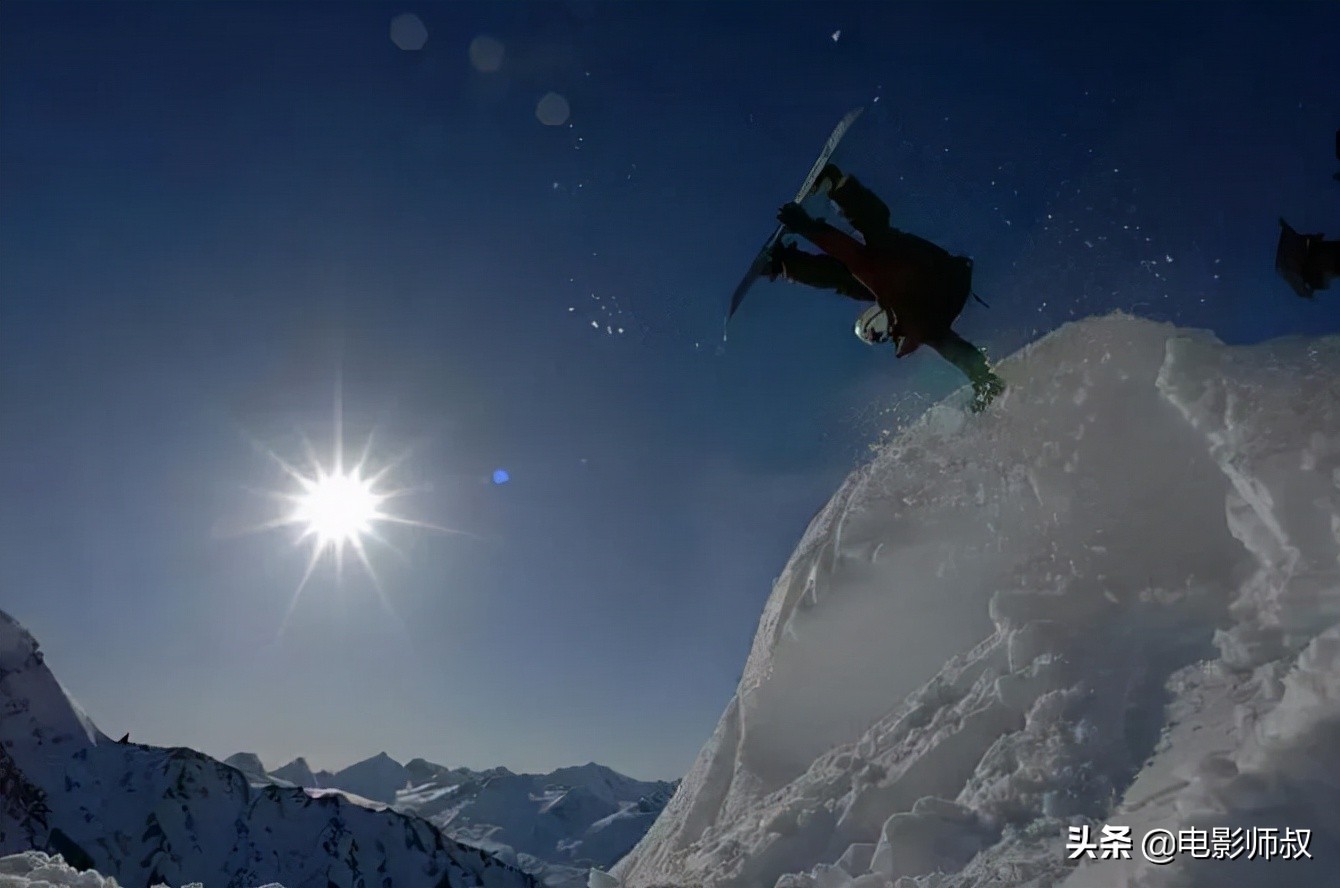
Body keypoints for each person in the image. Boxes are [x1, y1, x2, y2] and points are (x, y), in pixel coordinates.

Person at [765, 164, 1005, 412]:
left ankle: (788, 261)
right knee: (874, 246)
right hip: (934, 275)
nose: (882, 332)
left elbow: (854, 260)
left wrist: (806, 230)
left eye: (874, 332)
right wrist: (806, 228)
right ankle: (834, 190)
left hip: (934, 277)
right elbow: (956, 350)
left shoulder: (910, 320)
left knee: (862, 265)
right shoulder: (912, 320)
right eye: (878, 335)